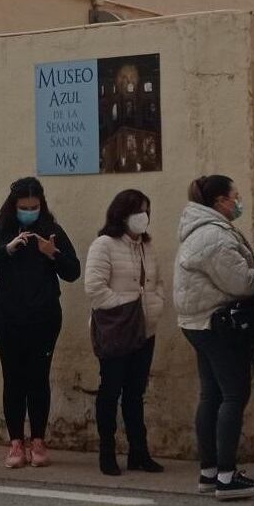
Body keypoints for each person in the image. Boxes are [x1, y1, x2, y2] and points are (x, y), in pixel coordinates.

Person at [0, 176, 82, 468]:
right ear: (13, 207)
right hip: (7, 317)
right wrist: (5, 249)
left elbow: (73, 271)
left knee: (39, 377)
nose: (29, 211)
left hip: (44, 317)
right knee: (13, 378)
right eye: (24, 207)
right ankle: (16, 442)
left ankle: (38, 440)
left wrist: (52, 254)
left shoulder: (51, 231)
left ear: (41, 206)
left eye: (34, 207)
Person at [177, 174, 254, 500]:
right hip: (217, 325)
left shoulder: (200, 230)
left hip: (198, 322)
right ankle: (227, 477)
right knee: (233, 395)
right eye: (235, 196)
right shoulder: (214, 237)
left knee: (212, 396)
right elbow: (241, 283)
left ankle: (209, 472)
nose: (238, 201)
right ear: (219, 202)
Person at [86, 189, 168, 476]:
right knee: (110, 391)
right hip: (117, 329)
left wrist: (154, 305)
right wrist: (126, 308)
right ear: (122, 214)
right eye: (137, 211)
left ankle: (139, 452)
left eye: (146, 210)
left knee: (135, 392)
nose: (143, 217)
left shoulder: (147, 246)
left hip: (145, 330)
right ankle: (107, 452)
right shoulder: (104, 244)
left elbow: (157, 281)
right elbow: (95, 288)